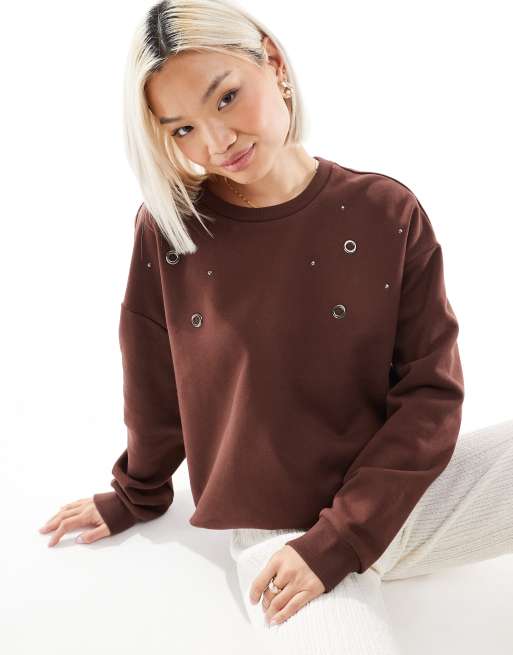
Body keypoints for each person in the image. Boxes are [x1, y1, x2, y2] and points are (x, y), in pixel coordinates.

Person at [38, 1, 513, 652]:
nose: (216, 142)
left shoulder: (386, 211)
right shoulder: (170, 234)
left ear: (273, 62)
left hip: (402, 498)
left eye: (226, 97)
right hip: (280, 540)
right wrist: (135, 494)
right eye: (183, 129)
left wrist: (348, 534)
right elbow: (154, 383)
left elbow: (430, 393)